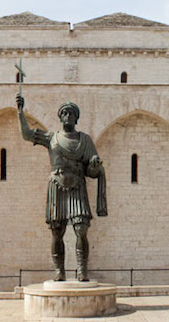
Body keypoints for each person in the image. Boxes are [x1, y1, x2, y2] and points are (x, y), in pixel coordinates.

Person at [17, 95, 107, 282]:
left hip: (77, 185)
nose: (67, 116)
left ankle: (82, 269)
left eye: (71, 113)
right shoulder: (52, 138)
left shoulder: (85, 140)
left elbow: (91, 171)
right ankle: (60, 271)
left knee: (81, 228)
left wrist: (95, 166)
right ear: (60, 117)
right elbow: (26, 134)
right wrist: (20, 111)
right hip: (57, 185)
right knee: (57, 231)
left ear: (76, 117)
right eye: (64, 113)